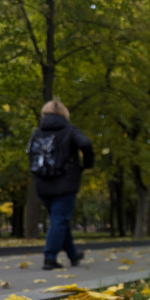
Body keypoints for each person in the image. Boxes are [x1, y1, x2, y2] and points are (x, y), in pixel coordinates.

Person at [27, 101, 94, 270]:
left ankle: (73, 255)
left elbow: (30, 155)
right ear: (64, 114)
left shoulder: (37, 133)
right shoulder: (70, 131)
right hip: (65, 182)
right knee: (60, 219)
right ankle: (50, 257)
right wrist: (86, 165)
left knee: (60, 219)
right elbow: (86, 144)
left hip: (42, 184)